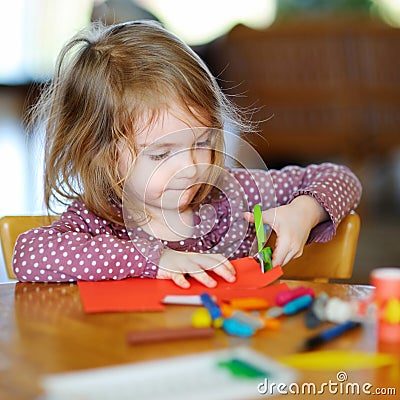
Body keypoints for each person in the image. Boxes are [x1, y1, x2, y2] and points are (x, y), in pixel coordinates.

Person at [13, 20, 362, 288]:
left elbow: (341, 178)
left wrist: (305, 210)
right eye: (161, 155)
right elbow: (29, 254)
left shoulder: (232, 196)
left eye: (201, 144)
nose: (191, 169)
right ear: (101, 155)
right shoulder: (99, 219)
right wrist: (155, 260)